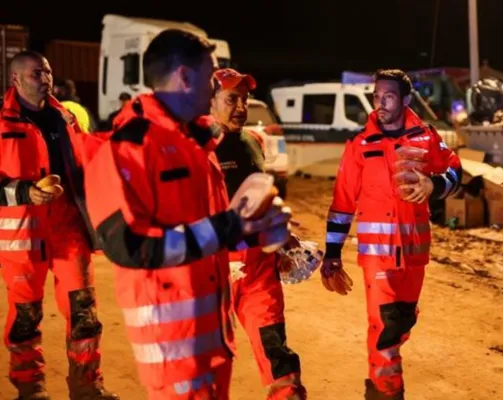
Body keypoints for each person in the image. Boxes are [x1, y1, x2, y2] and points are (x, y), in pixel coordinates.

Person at [84, 29, 292, 400]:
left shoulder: (196, 147)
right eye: (211, 75)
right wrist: (230, 226)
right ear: (184, 77)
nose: (214, 87)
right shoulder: (126, 150)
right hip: (172, 347)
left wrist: (259, 230)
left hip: (210, 336)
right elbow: (127, 247)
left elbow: (207, 226)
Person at [321, 69, 462, 400]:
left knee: (401, 322)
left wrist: (434, 185)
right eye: (376, 96)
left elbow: (456, 171)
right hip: (377, 255)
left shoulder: (426, 137)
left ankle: (376, 386)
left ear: (406, 100)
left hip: (414, 254)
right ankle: (387, 392)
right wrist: (332, 254)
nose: (379, 103)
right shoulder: (360, 145)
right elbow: (342, 203)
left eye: (388, 96)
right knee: (384, 328)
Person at [0, 51, 118, 399]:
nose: (46, 78)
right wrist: (24, 191)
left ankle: (86, 386)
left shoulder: (65, 117)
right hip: (22, 234)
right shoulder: (2, 121)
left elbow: (88, 164)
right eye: (37, 73)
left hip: (67, 226)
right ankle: (30, 388)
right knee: (26, 317)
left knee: (83, 311)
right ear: (16, 80)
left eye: (48, 71)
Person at [210, 68, 306, 399]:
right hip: (212, 269)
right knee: (206, 362)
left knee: (274, 347)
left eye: (245, 99)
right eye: (231, 99)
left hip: (257, 266)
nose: (241, 106)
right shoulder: (196, 147)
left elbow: (261, 195)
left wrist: (283, 236)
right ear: (210, 101)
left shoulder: (254, 141)